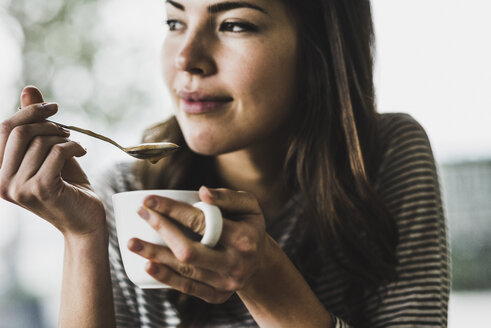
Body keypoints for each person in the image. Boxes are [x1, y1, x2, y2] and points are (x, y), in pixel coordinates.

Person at [0, 0, 449, 327]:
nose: (185, 58)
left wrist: (265, 277)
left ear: (318, 50)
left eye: (234, 24)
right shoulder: (126, 191)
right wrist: (82, 237)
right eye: (175, 21)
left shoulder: (382, 154)